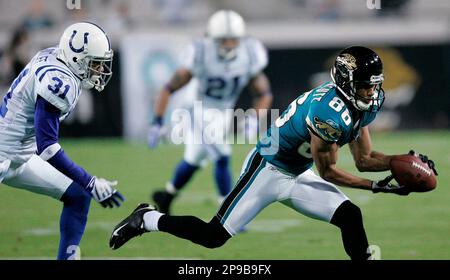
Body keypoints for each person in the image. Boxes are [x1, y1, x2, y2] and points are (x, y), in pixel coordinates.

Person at [110, 46, 437, 259]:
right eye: (365, 84)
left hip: (297, 169)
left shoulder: (364, 103)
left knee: (351, 217)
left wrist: (396, 165)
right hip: (269, 166)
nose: (372, 91)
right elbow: (329, 172)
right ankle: (147, 218)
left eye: (374, 83)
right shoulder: (327, 113)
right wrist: (377, 186)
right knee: (213, 236)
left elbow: (365, 159)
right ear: (346, 81)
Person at [0, 22, 124, 260]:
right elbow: (47, 147)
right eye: (95, 62)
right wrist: (89, 181)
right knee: (83, 188)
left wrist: (85, 186)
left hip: (20, 155)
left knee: (77, 195)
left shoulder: (56, 57)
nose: (99, 70)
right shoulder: (59, 82)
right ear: (78, 58)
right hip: (4, 153)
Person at [147, 10, 273, 214]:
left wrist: (254, 118)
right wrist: (157, 120)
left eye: (233, 39)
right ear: (212, 38)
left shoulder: (250, 54)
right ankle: (229, 210)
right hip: (196, 107)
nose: (229, 44)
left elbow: (264, 93)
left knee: (194, 159)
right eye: (223, 39)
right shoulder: (200, 52)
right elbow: (168, 87)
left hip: (222, 112)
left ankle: (167, 196)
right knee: (222, 155)